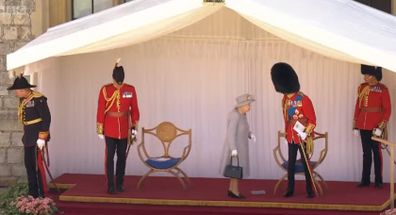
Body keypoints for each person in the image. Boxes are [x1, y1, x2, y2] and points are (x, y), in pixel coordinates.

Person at [271, 62, 316, 198]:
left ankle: (310, 189)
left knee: (306, 164)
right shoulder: (284, 99)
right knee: (291, 164)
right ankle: (290, 189)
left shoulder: (304, 99)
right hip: (291, 136)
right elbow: (287, 120)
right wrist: (287, 135)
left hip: (303, 137)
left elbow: (312, 121)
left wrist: (305, 133)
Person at [96, 59, 140, 194]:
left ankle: (120, 183)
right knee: (109, 158)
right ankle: (110, 185)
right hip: (109, 129)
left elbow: (135, 110)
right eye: (117, 82)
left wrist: (134, 130)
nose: (119, 86)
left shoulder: (130, 89)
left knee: (122, 157)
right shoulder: (105, 90)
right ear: (113, 79)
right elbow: (100, 109)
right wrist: (99, 129)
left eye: (120, 83)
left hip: (125, 129)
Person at [7, 75, 51, 198]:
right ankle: (33, 193)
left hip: (37, 137)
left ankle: (41, 194)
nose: (16, 93)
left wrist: (42, 137)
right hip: (28, 137)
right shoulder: (24, 99)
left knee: (37, 167)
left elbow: (46, 118)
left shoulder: (38, 99)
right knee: (29, 165)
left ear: (24, 90)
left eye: (17, 90)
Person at [353, 65, 391, 188]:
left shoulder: (383, 89)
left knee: (376, 152)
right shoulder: (362, 88)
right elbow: (358, 106)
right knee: (366, 153)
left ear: (373, 75)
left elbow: (387, 109)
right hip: (363, 124)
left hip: (376, 125)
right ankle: (365, 180)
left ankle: (378, 180)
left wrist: (381, 126)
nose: (364, 77)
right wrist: (355, 124)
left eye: (366, 75)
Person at [220, 93, 256, 199]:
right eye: (248, 105)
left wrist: (250, 134)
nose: (249, 107)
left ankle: (231, 189)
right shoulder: (235, 115)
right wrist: (233, 149)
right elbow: (230, 134)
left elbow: (244, 129)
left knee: (235, 170)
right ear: (241, 106)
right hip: (235, 148)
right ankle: (235, 192)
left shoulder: (242, 115)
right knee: (235, 170)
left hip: (241, 147)